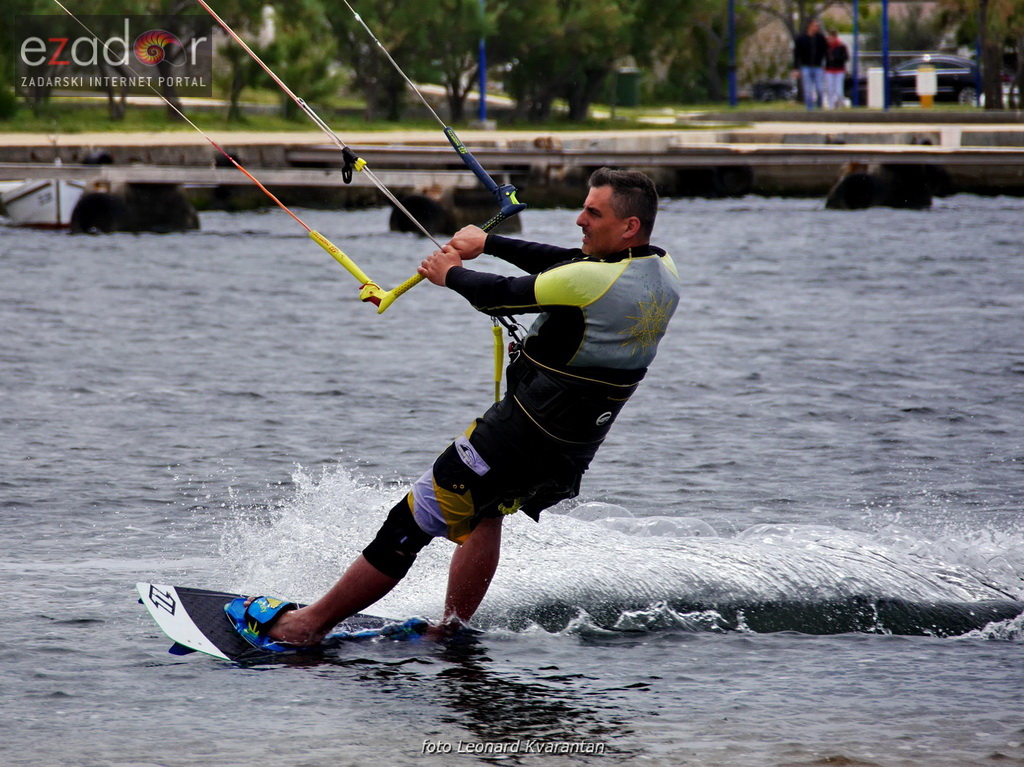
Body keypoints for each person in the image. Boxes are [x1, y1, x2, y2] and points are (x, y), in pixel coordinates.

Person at [234, 168, 681, 648]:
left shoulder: (590, 284)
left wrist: (451, 275)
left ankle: (305, 627)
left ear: (629, 226)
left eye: (593, 213)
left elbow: (504, 296)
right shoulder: (661, 271)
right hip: (571, 448)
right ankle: (451, 628)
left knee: (412, 518)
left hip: (517, 435)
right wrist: (489, 244)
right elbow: (568, 261)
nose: (580, 220)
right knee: (488, 512)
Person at [792, 18, 828, 110]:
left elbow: (826, 52)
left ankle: (819, 106)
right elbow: (797, 54)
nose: (817, 27)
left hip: (818, 67)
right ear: (810, 26)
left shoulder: (820, 38)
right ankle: (809, 108)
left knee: (820, 89)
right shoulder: (801, 39)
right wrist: (796, 68)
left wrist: (827, 64)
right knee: (808, 90)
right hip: (806, 67)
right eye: (816, 26)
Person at [824, 30, 850, 109]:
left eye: (831, 38)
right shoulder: (826, 47)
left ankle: (839, 106)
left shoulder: (841, 46)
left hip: (839, 70)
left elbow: (846, 57)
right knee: (830, 89)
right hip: (829, 70)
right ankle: (831, 106)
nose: (830, 40)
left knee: (839, 90)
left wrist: (836, 58)